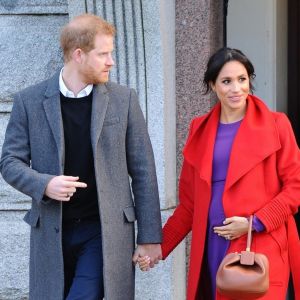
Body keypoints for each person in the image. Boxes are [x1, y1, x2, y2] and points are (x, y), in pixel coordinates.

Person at [0, 13, 162, 300]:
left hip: (104, 231)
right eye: (104, 54)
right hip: (51, 232)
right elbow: (10, 162)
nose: (111, 61)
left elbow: (143, 170)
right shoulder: (30, 101)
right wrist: (44, 184)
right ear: (78, 54)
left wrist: (149, 237)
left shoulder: (124, 99)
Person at [138, 48, 300, 299]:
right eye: (227, 81)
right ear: (213, 85)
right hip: (213, 245)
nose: (236, 88)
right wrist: (159, 246)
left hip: (259, 244)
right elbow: (189, 205)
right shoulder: (199, 129)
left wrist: (252, 224)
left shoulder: (277, 125)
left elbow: (294, 189)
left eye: (242, 79)